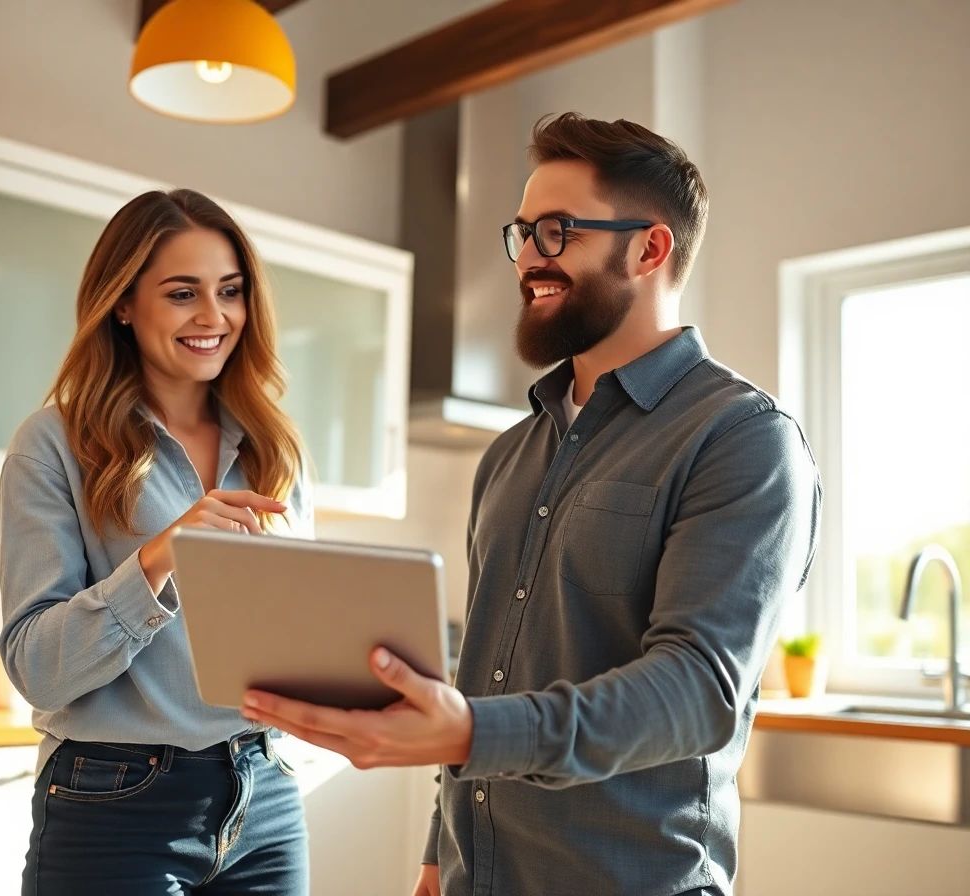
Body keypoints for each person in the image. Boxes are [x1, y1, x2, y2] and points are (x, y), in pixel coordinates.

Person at [240, 114, 822, 896]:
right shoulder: (508, 455)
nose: (530, 259)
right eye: (523, 234)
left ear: (649, 249)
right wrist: (438, 852)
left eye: (557, 231)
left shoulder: (742, 439)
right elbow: (484, 671)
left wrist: (471, 733)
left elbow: (696, 691)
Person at [0, 188, 313, 895]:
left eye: (230, 291)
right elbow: (36, 668)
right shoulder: (52, 445)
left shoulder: (274, 448)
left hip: (265, 796)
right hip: (114, 804)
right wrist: (161, 556)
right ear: (123, 303)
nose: (214, 316)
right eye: (182, 293)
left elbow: (292, 648)